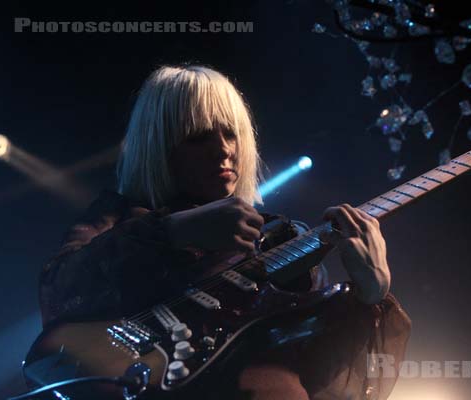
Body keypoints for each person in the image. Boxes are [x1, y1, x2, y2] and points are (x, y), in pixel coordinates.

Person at [39, 65, 411, 399]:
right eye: (199, 136)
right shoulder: (118, 217)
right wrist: (172, 231)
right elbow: (59, 293)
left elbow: (320, 371)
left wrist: (371, 295)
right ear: (160, 146)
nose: (224, 150)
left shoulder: (279, 235)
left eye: (231, 133)